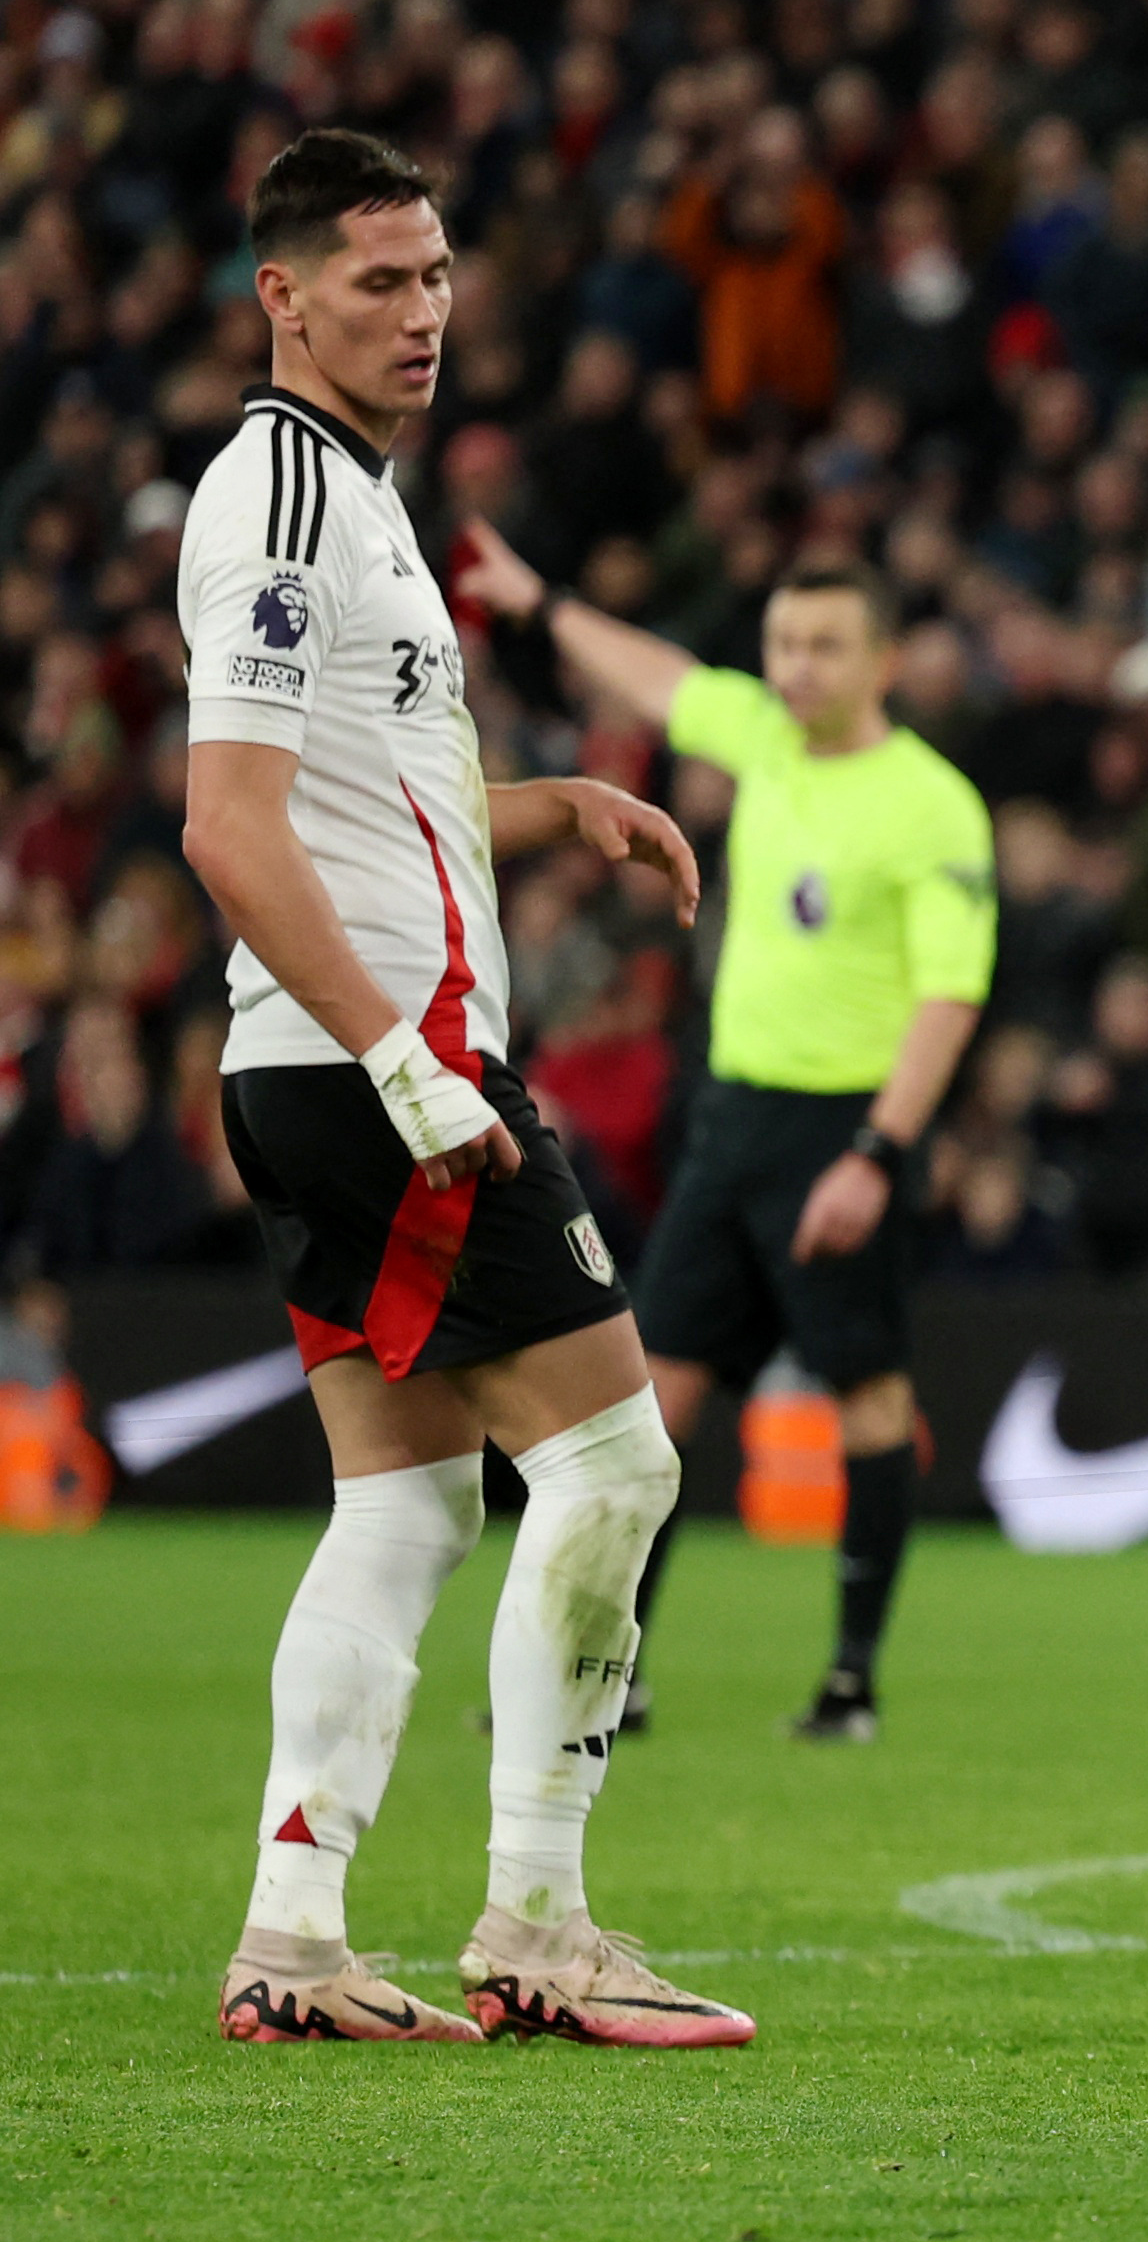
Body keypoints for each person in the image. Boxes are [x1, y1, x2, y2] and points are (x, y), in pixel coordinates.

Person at [187, 130, 750, 2047]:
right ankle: (541, 1922)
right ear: (283, 297)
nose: (422, 315)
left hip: (328, 1065)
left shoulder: (354, 496)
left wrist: (549, 808)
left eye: (435, 277)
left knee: (413, 1509)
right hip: (377, 1071)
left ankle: (294, 1935)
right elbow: (229, 828)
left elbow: (360, 811)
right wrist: (406, 1065)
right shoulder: (277, 499)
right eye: (376, 283)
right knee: (618, 1459)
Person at [454, 535, 997, 1746]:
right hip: (735, 1119)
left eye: (824, 646)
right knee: (655, 1399)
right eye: (783, 645)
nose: (796, 669)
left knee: (866, 1394)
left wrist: (881, 1151)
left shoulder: (931, 804)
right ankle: (608, 1674)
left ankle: (850, 1682)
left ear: (884, 662)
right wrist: (542, 597)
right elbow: (657, 678)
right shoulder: (764, 737)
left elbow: (949, 996)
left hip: (843, 1122)